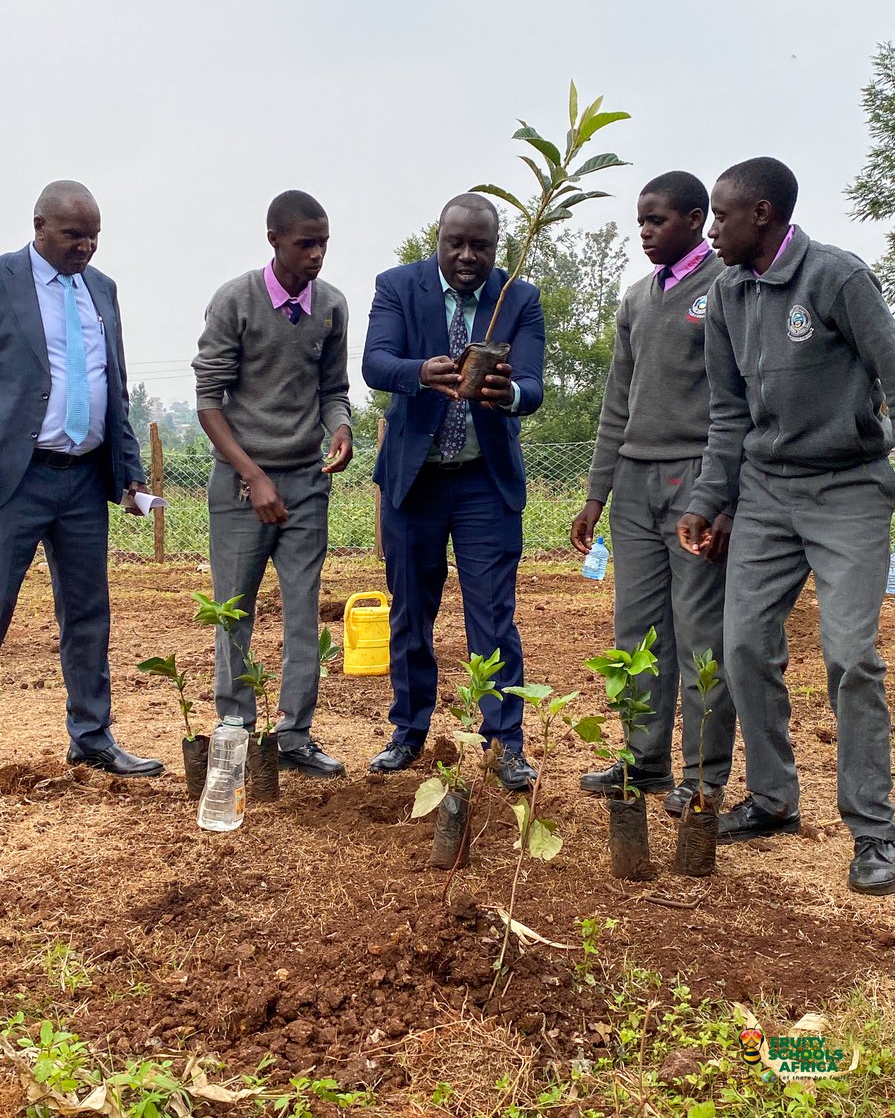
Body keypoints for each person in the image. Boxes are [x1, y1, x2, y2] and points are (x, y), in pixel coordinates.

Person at [677, 156, 895, 896]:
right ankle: (773, 799)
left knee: (850, 654)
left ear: (762, 215)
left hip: (848, 489)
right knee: (741, 645)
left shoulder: (837, 278)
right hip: (768, 492)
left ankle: (873, 829)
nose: (711, 230)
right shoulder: (727, 297)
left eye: (720, 215)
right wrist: (708, 500)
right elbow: (727, 416)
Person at [362, 193, 545, 790]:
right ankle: (409, 732)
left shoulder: (519, 298)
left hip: (483, 486)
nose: (467, 256)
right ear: (437, 240)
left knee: (492, 616)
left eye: (481, 246)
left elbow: (534, 386)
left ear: (499, 248)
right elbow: (374, 363)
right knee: (411, 610)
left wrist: (508, 394)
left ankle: (504, 743)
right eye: (456, 243)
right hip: (414, 482)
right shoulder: (397, 287)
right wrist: (420, 373)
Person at [571, 172, 737, 816]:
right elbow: (618, 401)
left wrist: (723, 498)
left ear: (696, 220)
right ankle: (643, 762)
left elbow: (739, 402)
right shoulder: (637, 299)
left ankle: (702, 774)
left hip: (698, 475)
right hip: (636, 481)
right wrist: (596, 493)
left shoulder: (724, 288)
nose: (645, 232)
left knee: (700, 629)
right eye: (640, 221)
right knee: (637, 628)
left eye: (658, 220)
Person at [0, 181, 162, 777]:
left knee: (89, 612)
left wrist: (129, 473)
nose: (86, 246)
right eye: (74, 234)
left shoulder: (102, 289)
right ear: (39, 225)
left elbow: (112, 384)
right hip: (14, 480)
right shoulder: (4, 279)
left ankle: (92, 735)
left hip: (82, 483)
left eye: (94, 234)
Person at [192, 190, 352, 777]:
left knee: (303, 609)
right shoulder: (235, 301)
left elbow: (333, 390)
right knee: (233, 611)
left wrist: (340, 429)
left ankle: (296, 735)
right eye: (305, 243)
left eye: (324, 243)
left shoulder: (331, 306)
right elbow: (209, 401)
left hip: (307, 482)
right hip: (242, 485)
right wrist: (253, 474)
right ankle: (235, 731)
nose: (317, 255)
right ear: (274, 240)